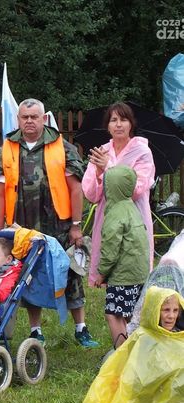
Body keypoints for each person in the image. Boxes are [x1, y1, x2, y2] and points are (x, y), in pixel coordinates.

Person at [0, 98, 98, 348]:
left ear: (44, 119)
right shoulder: (5, 149)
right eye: (25, 117)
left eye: (34, 117)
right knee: (28, 274)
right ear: (18, 119)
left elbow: (75, 189)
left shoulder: (63, 147)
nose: (29, 121)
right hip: (22, 227)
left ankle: (81, 328)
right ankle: (35, 330)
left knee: (70, 272)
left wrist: (76, 225)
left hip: (59, 225)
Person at [82, 102, 155, 287]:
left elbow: (136, 190)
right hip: (108, 217)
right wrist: (98, 173)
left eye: (123, 119)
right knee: (109, 264)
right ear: (108, 126)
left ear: (131, 124)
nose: (119, 124)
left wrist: (108, 167)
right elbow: (91, 194)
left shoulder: (142, 152)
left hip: (134, 216)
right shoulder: (102, 151)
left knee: (133, 269)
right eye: (114, 120)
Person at [82, 287, 184, 403]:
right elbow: (133, 374)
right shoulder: (143, 337)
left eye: (175, 310)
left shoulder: (179, 337)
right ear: (155, 311)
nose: (171, 316)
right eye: (166, 310)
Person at [93, 165, 149, 348]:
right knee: (130, 314)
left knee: (114, 314)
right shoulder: (131, 207)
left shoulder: (116, 213)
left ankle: (122, 353)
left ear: (111, 187)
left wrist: (101, 273)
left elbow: (111, 248)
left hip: (123, 276)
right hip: (139, 274)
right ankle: (136, 348)